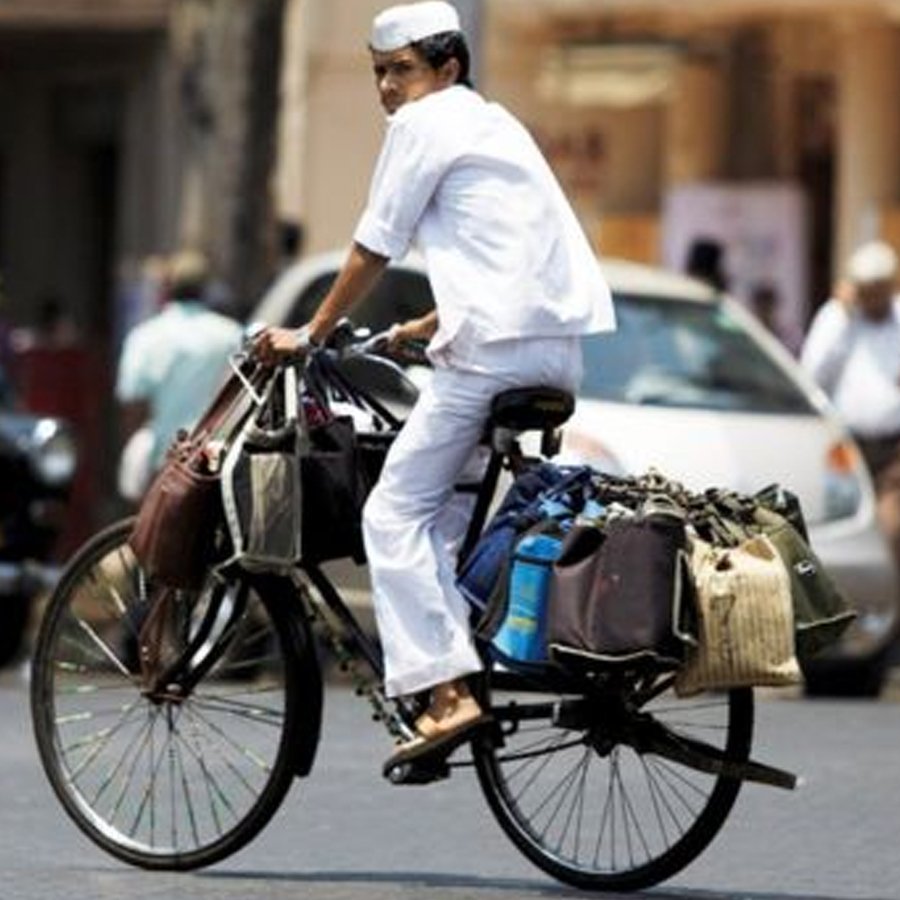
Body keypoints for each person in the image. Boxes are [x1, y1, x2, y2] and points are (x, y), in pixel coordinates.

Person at [253, 0, 615, 771]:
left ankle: (449, 697)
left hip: (490, 360)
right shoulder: (495, 125)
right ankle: (454, 668)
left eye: (402, 70)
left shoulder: (427, 122)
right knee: (442, 517)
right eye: (379, 73)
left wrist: (311, 333)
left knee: (391, 514)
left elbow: (373, 244)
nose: (388, 88)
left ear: (447, 68)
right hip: (555, 356)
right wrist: (425, 325)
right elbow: (503, 251)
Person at [800, 239, 900, 564]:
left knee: (891, 532)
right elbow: (812, 375)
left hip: (892, 449)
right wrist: (844, 318)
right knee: (843, 532)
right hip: (846, 445)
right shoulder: (835, 318)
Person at [115, 249, 244, 499]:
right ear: (205, 290)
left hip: (164, 462)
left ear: (167, 289)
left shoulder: (145, 336)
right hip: (216, 462)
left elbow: (132, 405)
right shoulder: (232, 335)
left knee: (153, 534)